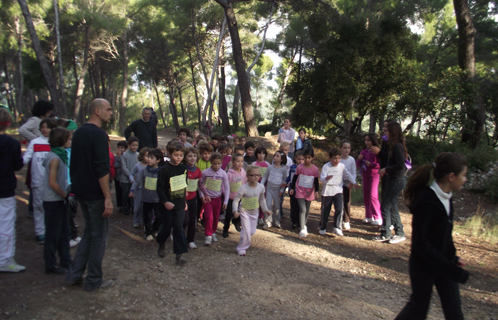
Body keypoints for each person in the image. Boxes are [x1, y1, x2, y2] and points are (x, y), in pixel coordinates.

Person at [394, 153, 470, 320]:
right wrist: (452, 269)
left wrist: (452, 258)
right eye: (463, 175)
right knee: (417, 311)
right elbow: (421, 244)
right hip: (423, 265)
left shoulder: (447, 198)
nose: (465, 179)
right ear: (451, 177)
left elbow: (443, 235)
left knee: (455, 313)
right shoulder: (427, 200)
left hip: (443, 263)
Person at [66, 98, 114, 292]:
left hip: (81, 192)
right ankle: (94, 280)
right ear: (97, 111)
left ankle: (74, 274)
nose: (111, 112)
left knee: (89, 232)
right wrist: (107, 197)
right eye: (108, 109)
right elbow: (101, 169)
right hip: (95, 194)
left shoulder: (78, 133)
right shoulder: (99, 135)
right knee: (99, 237)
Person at [42, 127, 72, 275]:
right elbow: (52, 183)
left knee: (64, 232)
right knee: (53, 234)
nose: (70, 141)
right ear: (62, 140)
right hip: (53, 201)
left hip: (59, 200)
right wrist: (65, 195)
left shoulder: (61, 156)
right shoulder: (54, 158)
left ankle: (66, 261)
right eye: (68, 139)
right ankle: (50, 264)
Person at [23, 118, 57, 244]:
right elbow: (26, 158)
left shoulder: (55, 143)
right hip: (38, 180)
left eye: (47, 127)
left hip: (53, 181)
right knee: (38, 206)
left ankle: (51, 230)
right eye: (42, 127)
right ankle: (40, 232)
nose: (44, 129)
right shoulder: (34, 142)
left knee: (51, 207)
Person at [373, 122, 408, 244]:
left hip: (396, 180)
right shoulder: (392, 146)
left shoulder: (397, 146)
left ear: (393, 131)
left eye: (387, 130)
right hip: (392, 178)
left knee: (386, 205)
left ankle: (387, 233)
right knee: (391, 205)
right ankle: (396, 232)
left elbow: (400, 165)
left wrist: (386, 169)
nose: (384, 132)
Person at [0, 108, 25, 272]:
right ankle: (4, 260)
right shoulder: (11, 144)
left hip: (6, 188)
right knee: (6, 225)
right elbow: (17, 165)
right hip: (5, 189)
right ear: (8, 123)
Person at [156, 142, 188, 264]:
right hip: (167, 205)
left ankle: (179, 254)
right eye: (176, 155)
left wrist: (184, 201)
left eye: (181, 155)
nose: (178, 157)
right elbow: (160, 188)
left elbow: (183, 186)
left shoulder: (183, 168)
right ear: (169, 154)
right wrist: (165, 202)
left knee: (179, 228)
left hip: (179, 203)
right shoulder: (164, 170)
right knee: (167, 226)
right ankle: (161, 242)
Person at [232, 165, 272, 256]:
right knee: (246, 232)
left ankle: (244, 236)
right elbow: (236, 200)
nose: (255, 177)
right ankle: (241, 248)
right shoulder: (243, 188)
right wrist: (235, 211)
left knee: (252, 231)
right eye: (253, 175)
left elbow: (262, 200)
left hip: (254, 213)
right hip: (244, 212)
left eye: (258, 175)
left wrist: (266, 210)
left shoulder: (261, 187)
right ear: (247, 176)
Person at [319, 148, 355, 236]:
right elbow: (322, 178)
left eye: (339, 158)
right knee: (325, 210)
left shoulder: (341, 166)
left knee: (339, 209)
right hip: (328, 191)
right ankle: (323, 227)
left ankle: (337, 226)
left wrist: (353, 182)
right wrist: (326, 179)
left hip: (338, 190)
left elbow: (347, 174)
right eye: (335, 158)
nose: (337, 160)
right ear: (330, 158)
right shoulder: (326, 166)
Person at [130, 148, 163, 241]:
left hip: (157, 199)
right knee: (147, 217)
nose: (149, 159)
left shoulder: (161, 172)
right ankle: (148, 232)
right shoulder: (144, 171)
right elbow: (137, 181)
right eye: (148, 157)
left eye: (151, 158)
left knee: (159, 216)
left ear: (158, 160)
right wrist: (132, 190)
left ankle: (155, 228)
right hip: (146, 198)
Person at [198, 153, 229, 246]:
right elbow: (200, 184)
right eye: (214, 163)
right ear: (211, 162)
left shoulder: (223, 174)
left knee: (215, 217)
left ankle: (213, 232)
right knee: (208, 216)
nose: (216, 166)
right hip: (208, 199)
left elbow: (227, 188)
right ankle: (208, 235)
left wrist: (226, 201)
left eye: (219, 164)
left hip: (218, 199)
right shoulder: (205, 172)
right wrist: (202, 196)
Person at [289, 148, 319, 238]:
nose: (306, 160)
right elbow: (295, 178)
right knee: (303, 209)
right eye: (305, 157)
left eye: (309, 158)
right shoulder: (300, 167)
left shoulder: (315, 169)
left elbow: (316, 181)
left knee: (306, 209)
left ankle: (304, 225)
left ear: (312, 158)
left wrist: (317, 191)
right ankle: (302, 228)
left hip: (309, 192)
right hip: (299, 191)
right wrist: (292, 188)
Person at [357, 134, 382, 226]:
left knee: (373, 196)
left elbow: (381, 164)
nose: (366, 142)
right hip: (365, 175)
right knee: (366, 195)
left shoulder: (377, 151)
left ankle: (378, 216)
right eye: (365, 140)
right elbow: (358, 164)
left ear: (373, 141)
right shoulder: (363, 151)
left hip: (374, 175)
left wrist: (371, 164)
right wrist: (359, 160)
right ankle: (369, 216)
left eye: (368, 140)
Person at [261, 151, 288, 229]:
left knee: (277, 206)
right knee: (268, 204)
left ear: (281, 159)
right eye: (275, 155)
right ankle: (268, 221)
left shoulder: (283, 169)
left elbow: (284, 180)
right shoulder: (270, 167)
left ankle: (276, 219)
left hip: (278, 191)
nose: (275, 157)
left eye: (277, 156)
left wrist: (282, 190)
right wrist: (262, 185)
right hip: (269, 189)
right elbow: (265, 176)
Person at [223, 154, 246, 238]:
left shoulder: (244, 172)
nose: (240, 163)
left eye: (241, 161)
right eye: (237, 161)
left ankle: (236, 221)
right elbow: (224, 185)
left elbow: (246, 183)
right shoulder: (229, 174)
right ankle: (225, 229)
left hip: (240, 198)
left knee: (241, 212)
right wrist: (225, 193)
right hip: (231, 198)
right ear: (232, 162)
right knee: (229, 215)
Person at [183, 147, 202, 249]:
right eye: (189, 156)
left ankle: (190, 240)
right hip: (183, 199)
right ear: (185, 158)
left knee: (192, 220)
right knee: (184, 220)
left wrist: (205, 194)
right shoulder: (182, 170)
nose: (192, 158)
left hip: (193, 198)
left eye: (194, 156)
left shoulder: (198, 171)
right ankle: (179, 236)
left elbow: (200, 184)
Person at [129, 148, 149, 228]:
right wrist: (132, 181)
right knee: (137, 206)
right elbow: (131, 174)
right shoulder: (137, 166)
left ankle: (146, 222)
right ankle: (136, 220)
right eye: (146, 156)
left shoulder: (151, 167)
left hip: (147, 190)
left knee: (146, 207)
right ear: (142, 156)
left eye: (150, 156)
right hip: (138, 189)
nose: (148, 158)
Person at [339, 140, 357, 230]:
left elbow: (353, 172)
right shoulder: (338, 159)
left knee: (347, 202)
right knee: (338, 201)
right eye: (345, 148)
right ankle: (338, 219)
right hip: (338, 183)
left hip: (348, 183)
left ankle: (346, 220)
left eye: (348, 148)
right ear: (341, 148)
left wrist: (352, 182)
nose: (347, 150)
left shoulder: (351, 159)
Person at [120, 137, 139, 216]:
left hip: (135, 179)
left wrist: (135, 176)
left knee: (134, 195)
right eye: (132, 145)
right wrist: (129, 175)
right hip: (125, 179)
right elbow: (124, 167)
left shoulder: (138, 155)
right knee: (125, 194)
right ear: (128, 145)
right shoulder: (124, 155)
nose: (134, 147)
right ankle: (125, 208)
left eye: (136, 145)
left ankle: (134, 208)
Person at [286, 151, 304, 229]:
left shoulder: (305, 168)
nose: (300, 161)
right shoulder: (292, 167)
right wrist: (286, 182)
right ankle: (294, 221)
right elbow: (289, 177)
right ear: (295, 158)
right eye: (299, 159)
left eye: (302, 159)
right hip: (293, 189)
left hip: (301, 190)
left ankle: (300, 221)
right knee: (293, 206)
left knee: (301, 206)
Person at [114, 141, 128, 211]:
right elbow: (115, 165)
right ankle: (120, 205)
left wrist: (119, 159)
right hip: (117, 177)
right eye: (118, 147)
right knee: (118, 192)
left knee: (124, 193)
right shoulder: (115, 156)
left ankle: (125, 205)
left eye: (121, 148)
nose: (119, 149)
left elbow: (123, 165)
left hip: (124, 177)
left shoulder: (125, 156)